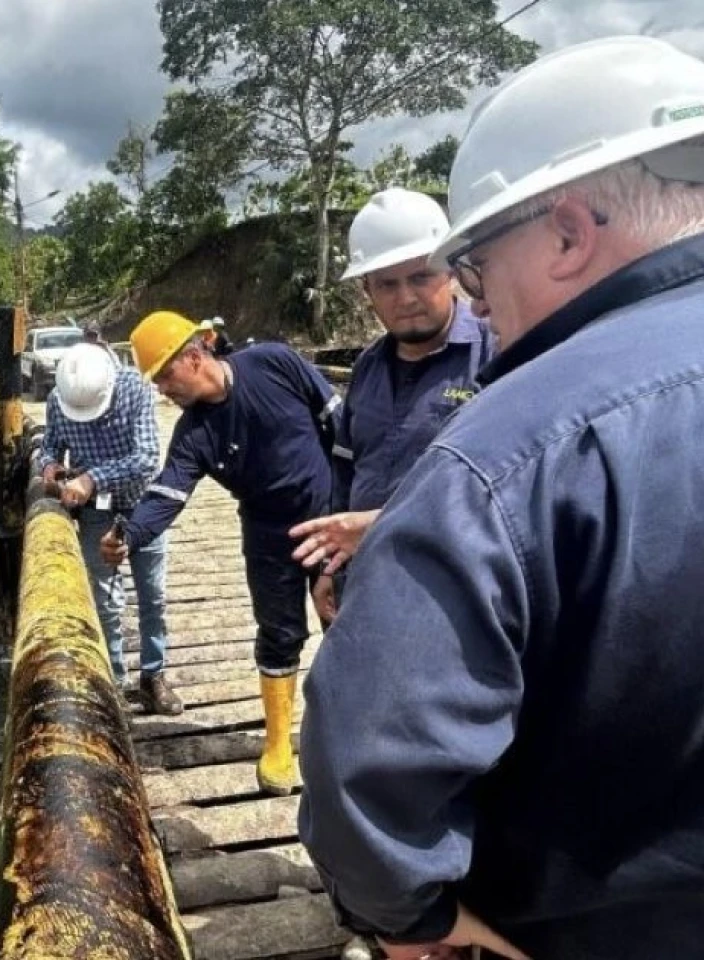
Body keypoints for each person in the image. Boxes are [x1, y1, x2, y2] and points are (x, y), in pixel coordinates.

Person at [298, 35, 704, 960]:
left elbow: (366, 762)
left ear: (568, 233)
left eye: (472, 269)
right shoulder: (377, 380)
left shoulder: (509, 446)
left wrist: (415, 914)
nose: (475, 303)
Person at [101, 310, 339, 794]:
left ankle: (346, 730)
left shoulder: (273, 363)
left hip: (331, 519)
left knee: (346, 622)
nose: (162, 389)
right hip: (268, 535)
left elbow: (337, 419)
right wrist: (130, 535)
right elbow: (168, 492)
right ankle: (278, 743)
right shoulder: (194, 434)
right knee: (279, 634)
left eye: (164, 375)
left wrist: (354, 503)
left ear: (193, 357)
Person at [289, 188, 496, 623]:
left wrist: (379, 525)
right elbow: (345, 472)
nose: (405, 298)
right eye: (387, 284)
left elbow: (504, 490)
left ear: (451, 272)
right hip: (367, 584)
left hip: (455, 595)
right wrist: (330, 569)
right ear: (366, 289)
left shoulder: (492, 355)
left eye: (420, 277)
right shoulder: (369, 367)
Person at [39, 344, 183, 715]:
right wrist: (49, 467)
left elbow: (147, 457)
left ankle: (153, 676)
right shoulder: (59, 399)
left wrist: (92, 478)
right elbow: (50, 445)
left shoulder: (135, 388)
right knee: (104, 603)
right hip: (94, 513)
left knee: (153, 597)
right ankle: (114, 682)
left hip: (143, 508)